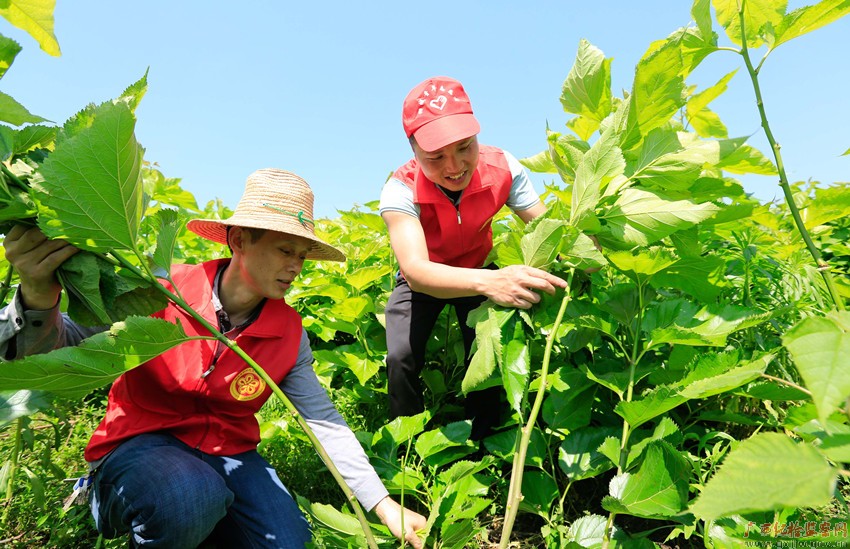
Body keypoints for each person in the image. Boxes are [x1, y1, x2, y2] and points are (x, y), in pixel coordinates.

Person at [0, 169, 426, 548]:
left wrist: (384, 505)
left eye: (301, 254)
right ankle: (103, 496)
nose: (295, 265)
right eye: (284, 249)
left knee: (288, 541)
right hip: (141, 442)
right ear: (240, 240)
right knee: (186, 497)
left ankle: (200, 516)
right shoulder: (159, 289)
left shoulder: (288, 332)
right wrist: (38, 299)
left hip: (229, 451)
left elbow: (323, 422)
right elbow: (60, 348)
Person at [380, 76, 568, 438]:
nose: (454, 166)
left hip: (479, 266)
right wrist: (495, 282)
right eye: (435, 157)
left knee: (487, 352)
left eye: (465, 147)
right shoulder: (400, 189)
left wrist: (585, 249)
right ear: (413, 151)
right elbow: (417, 271)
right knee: (401, 355)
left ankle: (487, 440)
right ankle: (405, 444)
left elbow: (549, 230)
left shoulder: (504, 169)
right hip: (429, 277)